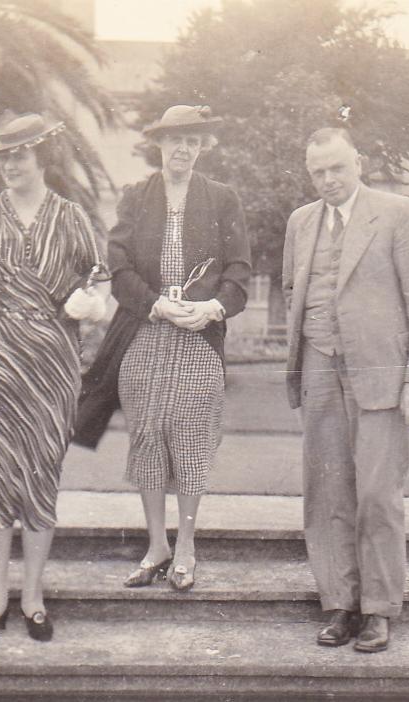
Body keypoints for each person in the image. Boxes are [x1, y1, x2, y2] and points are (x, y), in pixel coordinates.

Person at [0, 113, 108, 643]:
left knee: (38, 475)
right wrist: (1, 308)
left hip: (53, 364)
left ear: (42, 158)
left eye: (21, 155)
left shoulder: (72, 217)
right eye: (4, 157)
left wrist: (90, 300)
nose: (11, 165)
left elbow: (96, 277)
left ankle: (32, 596)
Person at [77, 105, 251, 592]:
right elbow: (120, 268)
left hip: (199, 336)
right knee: (148, 435)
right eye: (175, 140)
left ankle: (188, 548)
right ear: (159, 144)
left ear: (202, 147)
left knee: (191, 435)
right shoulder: (136, 198)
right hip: (145, 334)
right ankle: (157, 546)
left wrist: (212, 308)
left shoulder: (222, 199)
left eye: (192, 141)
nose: (183, 149)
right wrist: (155, 305)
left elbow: (239, 274)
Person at [282, 127, 409, 653]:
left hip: (382, 374)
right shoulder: (300, 222)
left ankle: (378, 610)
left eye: (337, 169)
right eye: (318, 171)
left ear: (359, 163)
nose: (328, 180)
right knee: (327, 492)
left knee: (377, 494)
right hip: (319, 369)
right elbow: (293, 291)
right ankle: (339, 604)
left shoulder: (397, 213)